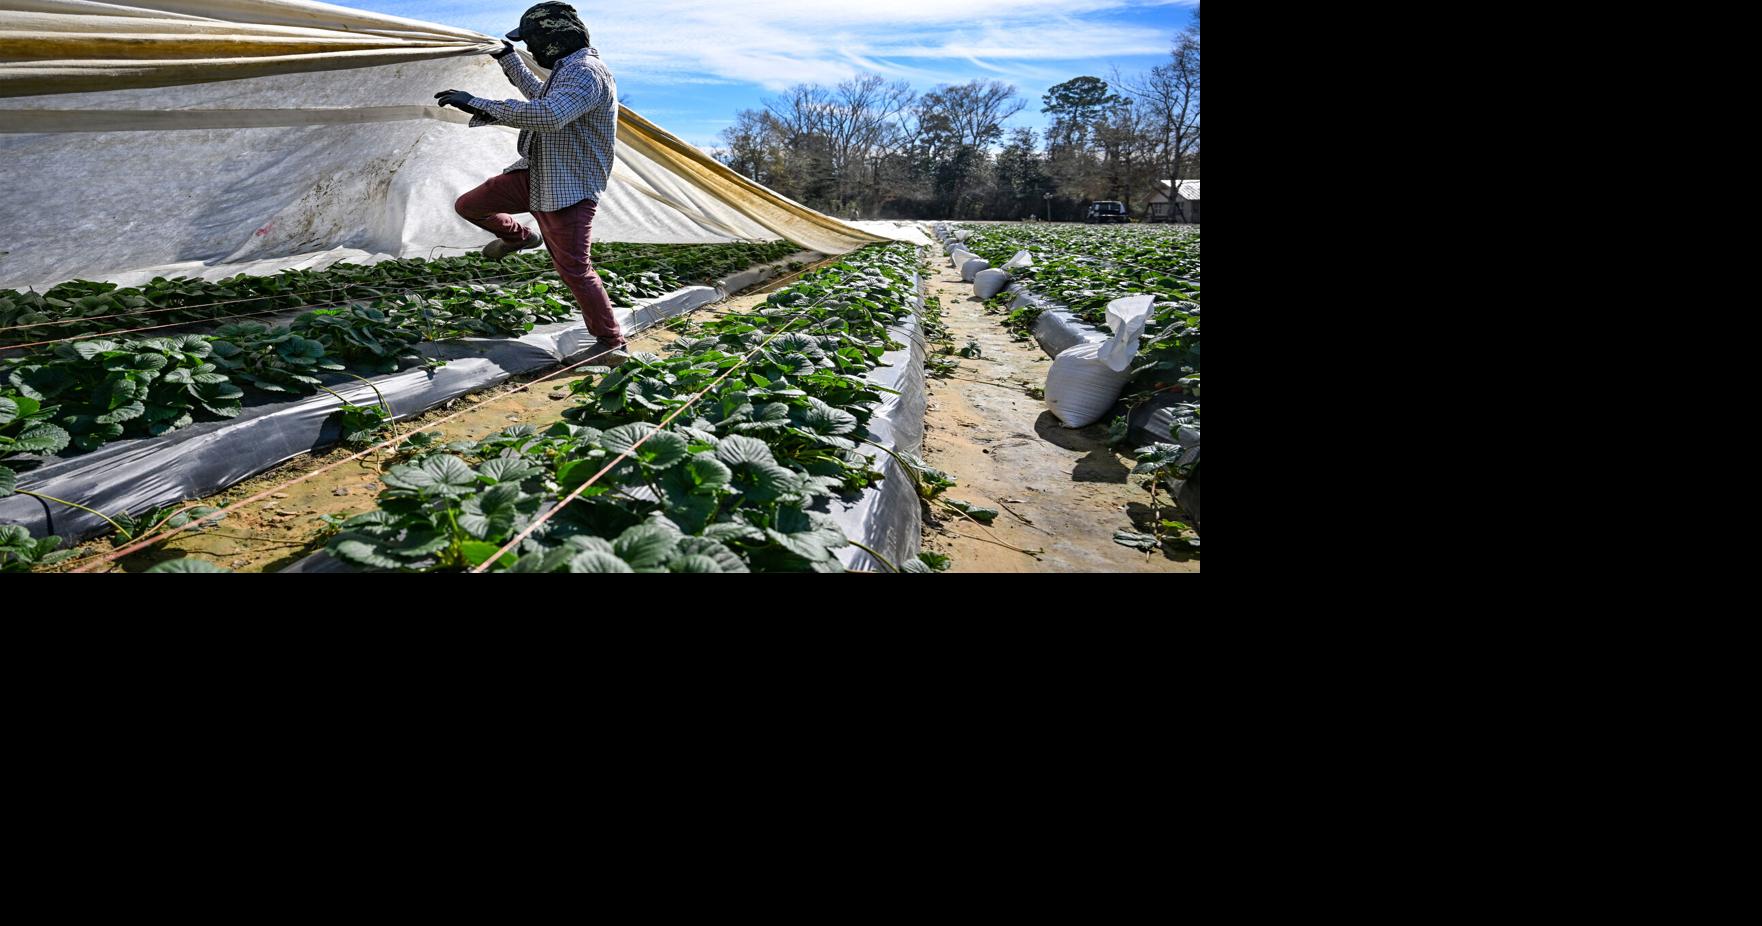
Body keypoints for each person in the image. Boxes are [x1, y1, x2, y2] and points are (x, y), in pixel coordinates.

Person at [433, 2, 626, 360]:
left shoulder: (587, 72)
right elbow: (540, 96)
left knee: (574, 271)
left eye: (532, 42)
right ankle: (519, 236)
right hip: (537, 173)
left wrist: (478, 102)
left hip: (568, 189)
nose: (531, 50)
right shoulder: (568, 70)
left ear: (551, 38)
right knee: (469, 205)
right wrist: (507, 58)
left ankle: (611, 344)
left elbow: (550, 115)